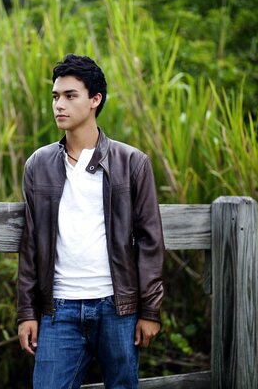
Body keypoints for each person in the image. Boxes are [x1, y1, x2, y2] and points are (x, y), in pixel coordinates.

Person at [17, 54, 165, 389]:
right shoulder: (38, 165)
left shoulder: (132, 162)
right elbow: (30, 244)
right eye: (55, 96)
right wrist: (27, 312)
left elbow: (150, 242)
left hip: (118, 307)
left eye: (70, 96)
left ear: (95, 100)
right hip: (59, 311)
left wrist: (150, 311)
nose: (59, 105)